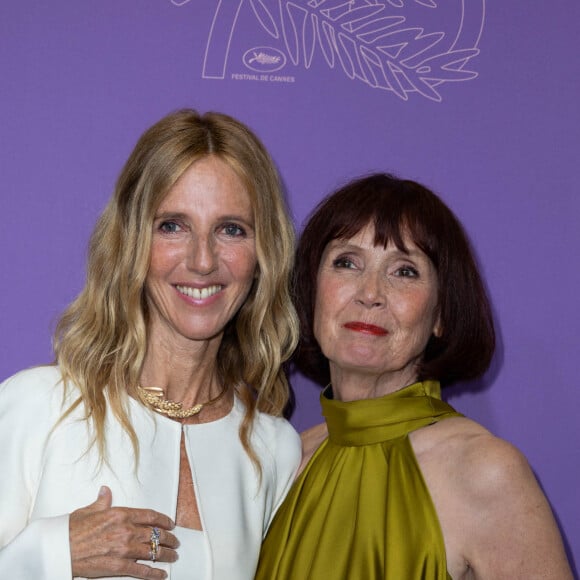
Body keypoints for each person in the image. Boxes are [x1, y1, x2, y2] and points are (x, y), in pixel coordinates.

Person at [0, 109, 301, 580]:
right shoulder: (38, 407)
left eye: (231, 229)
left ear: (264, 254)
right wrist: (50, 553)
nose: (203, 261)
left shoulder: (273, 450)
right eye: (172, 226)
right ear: (131, 242)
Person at [256, 173, 573, 579]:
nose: (370, 292)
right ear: (311, 290)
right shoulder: (282, 461)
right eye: (346, 262)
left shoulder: (485, 472)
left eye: (403, 271)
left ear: (440, 314)